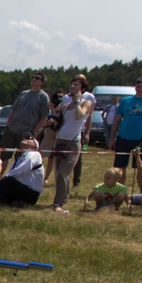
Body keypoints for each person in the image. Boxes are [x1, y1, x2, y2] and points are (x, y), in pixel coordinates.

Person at [51, 77, 92, 214]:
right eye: (72, 84)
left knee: (63, 172)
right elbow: (59, 119)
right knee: (58, 173)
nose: (72, 86)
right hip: (60, 140)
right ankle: (64, 197)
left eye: (76, 85)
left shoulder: (86, 103)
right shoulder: (66, 105)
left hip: (73, 143)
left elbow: (79, 115)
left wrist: (77, 101)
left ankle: (58, 202)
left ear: (82, 89)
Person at [108, 74, 142, 189]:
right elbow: (117, 121)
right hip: (123, 138)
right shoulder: (126, 101)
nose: (139, 84)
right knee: (119, 168)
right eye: (137, 82)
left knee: (140, 168)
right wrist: (112, 138)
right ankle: (120, 192)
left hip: (140, 139)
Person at [0, 72, 49, 173]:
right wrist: (8, 124)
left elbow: (44, 117)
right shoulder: (23, 93)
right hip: (11, 129)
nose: (34, 79)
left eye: (37, 78)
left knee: (21, 158)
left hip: (26, 132)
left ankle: (15, 177)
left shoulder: (43, 97)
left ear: (42, 82)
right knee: (4, 155)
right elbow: (13, 109)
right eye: (33, 77)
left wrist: (34, 131)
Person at [40, 90, 66, 185]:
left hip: (55, 134)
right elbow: (42, 123)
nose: (58, 99)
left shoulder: (62, 108)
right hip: (46, 133)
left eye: (61, 97)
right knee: (40, 155)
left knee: (52, 158)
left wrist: (53, 110)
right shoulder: (48, 108)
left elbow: (58, 122)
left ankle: (46, 178)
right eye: (57, 96)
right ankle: (39, 175)